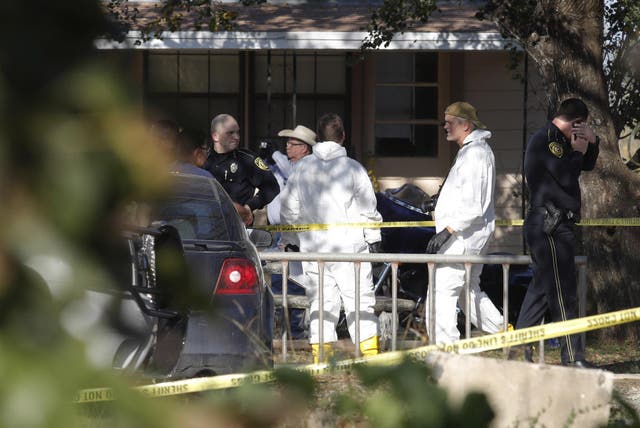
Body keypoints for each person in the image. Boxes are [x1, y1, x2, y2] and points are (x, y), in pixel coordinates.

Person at [280, 113, 382, 363]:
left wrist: (295, 237)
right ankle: (369, 361)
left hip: (315, 248)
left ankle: (322, 361)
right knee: (360, 302)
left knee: (321, 305)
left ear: (317, 138)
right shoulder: (353, 168)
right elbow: (368, 209)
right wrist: (374, 237)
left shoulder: (302, 168)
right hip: (351, 249)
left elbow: (288, 209)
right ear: (343, 137)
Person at [515, 98, 599, 368]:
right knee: (565, 292)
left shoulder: (560, 140)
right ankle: (573, 357)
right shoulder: (547, 139)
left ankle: (518, 349)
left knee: (541, 288)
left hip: (555, 222)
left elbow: (585, 166)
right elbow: (566, 175)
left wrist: (591, 145)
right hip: (550, 223)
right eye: (581, 127)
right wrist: (577, 151)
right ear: (576, 123)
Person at [425, 101, 506, 344]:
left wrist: (448, 231)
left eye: (450, 122)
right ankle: (505, 335)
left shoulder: (475, 154)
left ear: (467, 125)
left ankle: (445, 351)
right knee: (467, 292)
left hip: (462, 238)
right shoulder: (472, 151)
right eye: (444, 122)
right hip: (467, 235)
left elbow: (473, 206)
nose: (445, 126)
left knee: (441, 292)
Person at [264, 124, 317, 340]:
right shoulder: (286, 166)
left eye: (292, 144)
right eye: (286, 143)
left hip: (299, 234)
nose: (287, 147)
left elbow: (289, 172)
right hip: (280, 232)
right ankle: (284, 329)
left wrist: (274, 154)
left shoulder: (308, 166)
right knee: (279, 281)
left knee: (296, 281)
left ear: (304, 148)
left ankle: (296, 331)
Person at [204, 114, 279, 225]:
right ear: (215, 136)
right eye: (230, 133)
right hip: (206, 227)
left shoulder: (248, 159)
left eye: (238, 132)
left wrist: (249, 207)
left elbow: (272, 187)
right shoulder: (203, 160)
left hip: (237, 229)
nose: (237, 137)